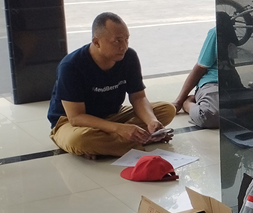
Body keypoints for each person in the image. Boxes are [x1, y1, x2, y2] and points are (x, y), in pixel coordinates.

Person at [47, 12, 176, 158]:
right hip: (72, 123)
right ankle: (137, 141)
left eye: (126, 40)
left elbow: (138, 97)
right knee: (79, 140)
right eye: (117, 41)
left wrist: (151, 121)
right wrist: (119, 129)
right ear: (96, 42)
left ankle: (106, 146)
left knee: (167, 109)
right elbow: (76, 117)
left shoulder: (129, 57)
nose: (123, 47)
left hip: (113, 115)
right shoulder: (71, 66)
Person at [172, 18, 222, 129]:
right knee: (209, 117)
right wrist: (179, 101)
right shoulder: (216, 33)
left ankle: (236, 111)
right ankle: (188, 104)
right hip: (214, 83)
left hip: (235, 84)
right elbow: (200, 67)